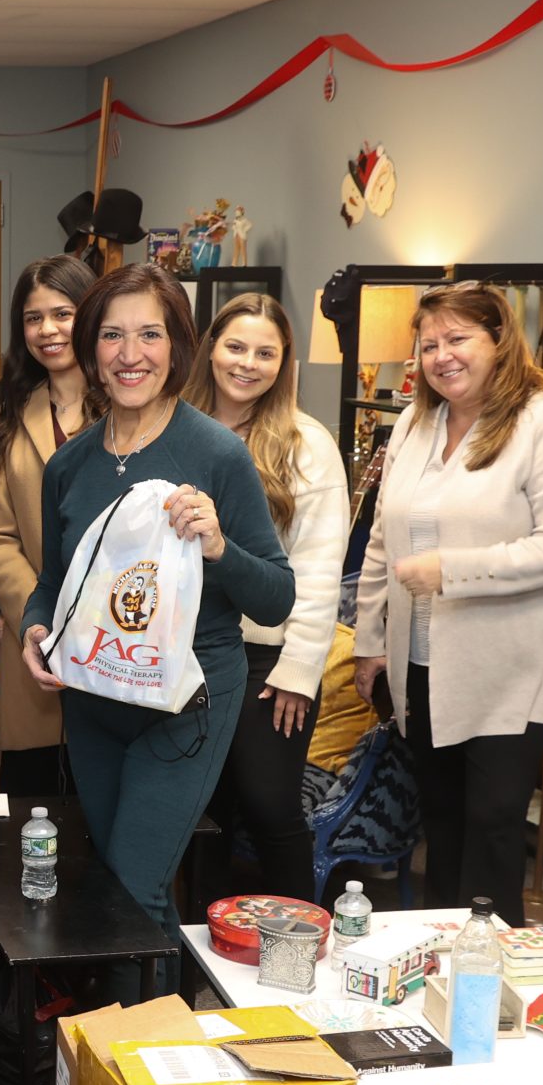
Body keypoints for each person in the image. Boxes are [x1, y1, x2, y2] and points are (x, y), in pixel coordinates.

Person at [18, 265, 295, 929]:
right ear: (91, 350)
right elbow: (54, 583)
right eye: (112, 335)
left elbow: (277, 598)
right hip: (95, 697)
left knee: (134, 888)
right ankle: (159, 998)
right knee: (116, 882)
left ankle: (133, 1003)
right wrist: (35, 627)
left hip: (187, 702)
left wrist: (219, 545)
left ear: (177, 347)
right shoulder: (69, 465)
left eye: (149, 334)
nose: (130, 354)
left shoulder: (218, 454)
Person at [354, 281, 543, 926]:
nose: (442, 356)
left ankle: (491, 964)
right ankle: (438, 957)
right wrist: (369, 640)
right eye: (429, 344)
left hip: (507, 665)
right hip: (420, 662)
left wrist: (450, 571)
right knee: (442, 823)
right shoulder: (415, 421)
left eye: (458, 339)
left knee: (490, 824)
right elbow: (382, 539)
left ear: (500, 339)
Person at [183, 292, 348, 902]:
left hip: (268, 659)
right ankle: (199, 944)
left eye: (265, 353)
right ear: (210, 349)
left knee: (269, 806)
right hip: (185, 652)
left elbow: (319, 567)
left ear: (285, 363)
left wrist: (299, 669)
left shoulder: (307, 443)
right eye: (235, 347)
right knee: (202, 813)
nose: (247, 364)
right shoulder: (174, 426)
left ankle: (299, 941)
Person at [0, 254, 99, 797]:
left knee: (105, 801)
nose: (47, 330)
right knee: (36, 808)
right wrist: (38, 618)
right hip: (36, 640)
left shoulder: (128, 405)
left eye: (62, 314)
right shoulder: (8, 413)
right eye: (33, 318)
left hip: (118, 637)